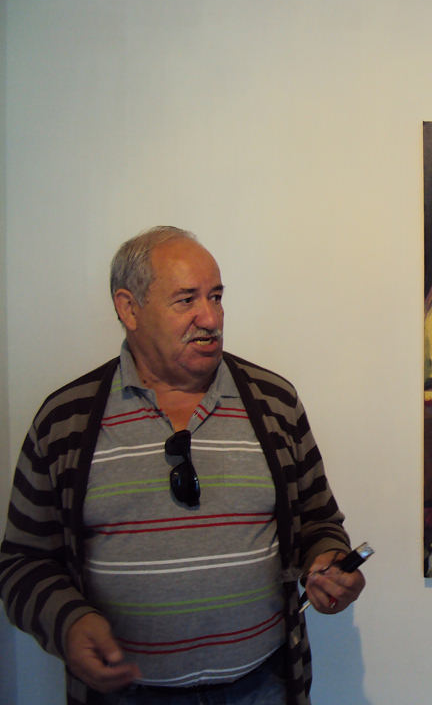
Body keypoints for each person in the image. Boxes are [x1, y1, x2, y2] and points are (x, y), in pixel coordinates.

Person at [0, 226, 365, 705]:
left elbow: (319, 521)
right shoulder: (65, 421)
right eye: (186, 300)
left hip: (262, 687)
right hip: (126, 696)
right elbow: (23, 563)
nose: (210, 318)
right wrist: (67, 621)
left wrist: (330, 562)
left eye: (216, 297)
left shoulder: (274, 402)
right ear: (129, 308)